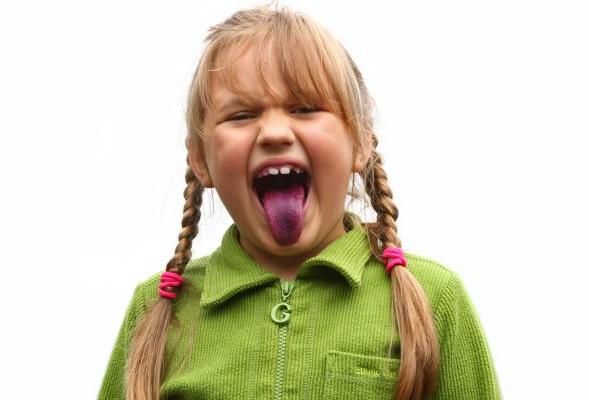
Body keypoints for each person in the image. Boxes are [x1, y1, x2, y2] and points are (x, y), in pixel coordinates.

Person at [99, 6, 500, 400]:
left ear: (361, 143)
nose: (274, 132)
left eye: (305, 109)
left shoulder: (435, 299)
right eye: (240, 115)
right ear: (200, 160)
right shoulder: (155, 311)